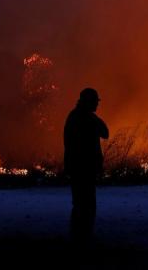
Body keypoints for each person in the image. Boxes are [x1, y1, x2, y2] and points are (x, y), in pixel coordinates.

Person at [63, 87, 109, 242]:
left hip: (78, 168)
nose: (97, 104)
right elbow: (105, 132)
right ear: (88, 102)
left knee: (81, 204)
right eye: (95, 102)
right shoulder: (87, 119)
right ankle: (82, 238)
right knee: (86, 205)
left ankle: (79, 236)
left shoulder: (74, 117)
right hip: (84, 168)